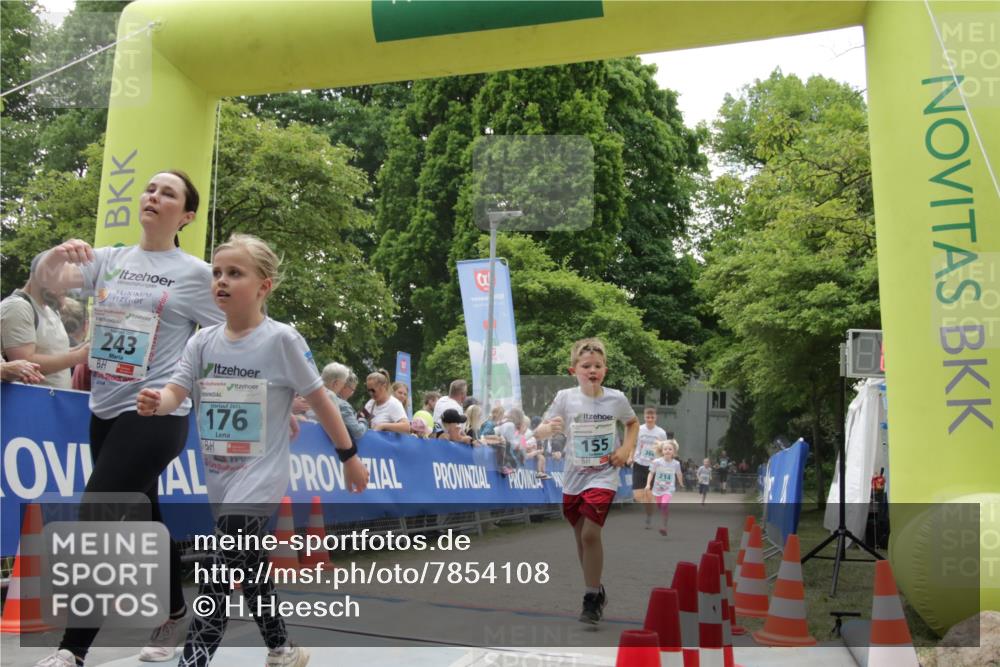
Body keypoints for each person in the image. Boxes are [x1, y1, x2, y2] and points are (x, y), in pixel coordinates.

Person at [136, 233, 368, 667]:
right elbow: (176, 389)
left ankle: (193, 661)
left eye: (234, 274)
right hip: (220, 477)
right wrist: (158, 402)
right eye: (217, 273)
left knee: (218, 576)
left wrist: (348, 456)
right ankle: (282, 648)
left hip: (261, 477)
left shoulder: (281, 339)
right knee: (250, 566)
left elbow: (321, 400)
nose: (221, 281)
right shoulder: (202, 341)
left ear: (264, 286)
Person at [31, 170, 226, 667]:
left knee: (99, 510)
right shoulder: (110, 260)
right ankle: (175, 609)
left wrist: (194, 387)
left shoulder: (196, 273)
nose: (154, 196)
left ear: (185, 216)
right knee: (145, 517)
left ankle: (72, 650)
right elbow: (44, 279)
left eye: (168, 193)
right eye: (150, 189)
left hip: (158, 411)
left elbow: (234, 335)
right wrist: (55, 255)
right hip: (106, 409)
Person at [532, 337, 639, 626]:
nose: (592, 370)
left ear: (605, 369)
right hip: (573, 477)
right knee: (581, 537)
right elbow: (540, 431)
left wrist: (626, 449)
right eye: (586, 366)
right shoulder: (565, 398)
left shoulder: (616, 399)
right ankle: (596, 589)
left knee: (591, 534)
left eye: (598, 366)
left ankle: (591, 598)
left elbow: (632, 424)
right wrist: (547, 428)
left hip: (604, 475)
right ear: (573, 370)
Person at [1, 251, 89, 389]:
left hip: (51, 403)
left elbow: (55, 353)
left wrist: (85, 348)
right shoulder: (18, 306)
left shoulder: (50, 309)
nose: (68, 289)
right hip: (31, 403)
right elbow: (25, 364)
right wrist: (79, 356)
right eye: (63, 282)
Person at [312, 362, 367, 444]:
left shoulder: (308, 392)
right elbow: (355, 431)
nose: (352, 393)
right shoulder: (332, 397)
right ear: (336, 383)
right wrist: (363, 421)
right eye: (343, 383)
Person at [631, 407, 666, 529]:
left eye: (652, 417)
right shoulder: (639, 429)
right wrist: (630, 457)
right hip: (639, 463)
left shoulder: (661, 433)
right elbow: (633, 444)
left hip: (653, 466)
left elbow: (663, 450)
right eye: (647, 417)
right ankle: (649, 508)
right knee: (637, 494)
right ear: (644, 417)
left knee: (649, 495)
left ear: (656, 417)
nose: (650, 419)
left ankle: (649, 516)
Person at [645, 440, 684, 536]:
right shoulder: (657, 462)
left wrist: (681, 483)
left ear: (674, 452)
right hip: (657, 490)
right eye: (665, 449)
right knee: (660, 506)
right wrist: (648, 484)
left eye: (670, 449)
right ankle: (664, 520)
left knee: (664, 505)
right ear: (662, 451)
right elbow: (651, 473)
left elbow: (679, 474)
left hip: (668, 489)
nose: (667, 451)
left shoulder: (676, 464)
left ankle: (664, 526)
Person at [363, 369, 410, 433]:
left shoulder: (394, 403)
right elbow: (362, 420)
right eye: (369, 390)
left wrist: (383, 426)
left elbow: (406, 427)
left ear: (383, 386)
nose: (371, 393)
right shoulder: (370, 403)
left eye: (373, 390)